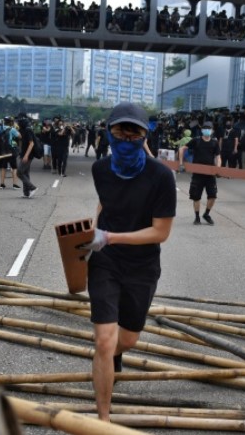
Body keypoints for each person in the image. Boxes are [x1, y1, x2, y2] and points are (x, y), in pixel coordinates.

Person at [81, 102, 176, 422]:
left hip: (142, 265)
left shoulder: (161, 177)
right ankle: (103, 421)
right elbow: (105, 203)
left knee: (127, 339)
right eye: (119, 131)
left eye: (132, 132)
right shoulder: (100, 169)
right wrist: (95, 234)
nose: (125, 138)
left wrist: (110, 237)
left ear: (144, 135)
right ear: (108, 133)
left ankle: (114, 355)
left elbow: (160, 232)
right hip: (105, 262)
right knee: (104, 340)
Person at [179, 121, 221, 225]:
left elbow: (218, 157)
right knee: (196, 196)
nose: (207, 130)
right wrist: (181, 163)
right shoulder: (196, 141)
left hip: (210, 174)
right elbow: (182, 149)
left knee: (212, 196)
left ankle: (206, 214)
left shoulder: (214, 143)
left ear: (212, 131)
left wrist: (218, 169)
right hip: (197, 174)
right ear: (202, 130)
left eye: (209, 128)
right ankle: (197, 217)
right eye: (205, 128)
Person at [16, 115, 38, 198]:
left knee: (19, 172)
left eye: (19, 122)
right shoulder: (22, 130)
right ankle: (26, 193)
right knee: (25, 173)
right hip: (24, 153)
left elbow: (31, 143)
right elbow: (21, 140)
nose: (17, 123)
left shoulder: (28, 130)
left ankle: (32, 188)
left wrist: (26, 156)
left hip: (28, 155)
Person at [0, 118, 21, 189]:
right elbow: (19, 136)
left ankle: (2, 184)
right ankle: (15, 184)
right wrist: (15, 128)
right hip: (11, 150)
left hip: (2, 150)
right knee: (14, 167)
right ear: (11, 122)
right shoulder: (12, 129)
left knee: (3, 167)